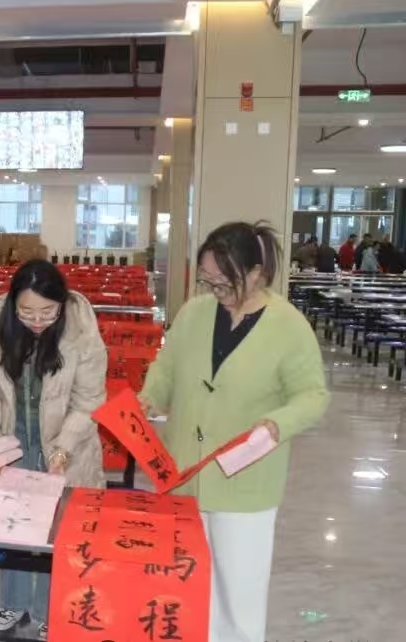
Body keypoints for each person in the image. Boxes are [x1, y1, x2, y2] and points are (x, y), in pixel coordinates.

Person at [139, 221, 329, 642]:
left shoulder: (288, 326)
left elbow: (312, 395)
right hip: (184, 475)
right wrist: (149, 398)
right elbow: (166, 369)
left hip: (245, 484)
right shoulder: (194, 313)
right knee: (188, 587)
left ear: (256, 273)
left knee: (238, 598)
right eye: (207, 280)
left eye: (224, 282)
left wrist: (278, 423)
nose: (214, 290)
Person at [0, 260, 107, 640]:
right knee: (11, 522)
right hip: (14, 441)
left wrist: (62, 449)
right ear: (13, 303)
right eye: (27, 312)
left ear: (61, 304)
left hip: (65, 441)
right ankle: (13, 604)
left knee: (57, 528)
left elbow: (89, 400)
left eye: (47, 312)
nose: (38, 321)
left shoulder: (80, 326)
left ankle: (50, 609)